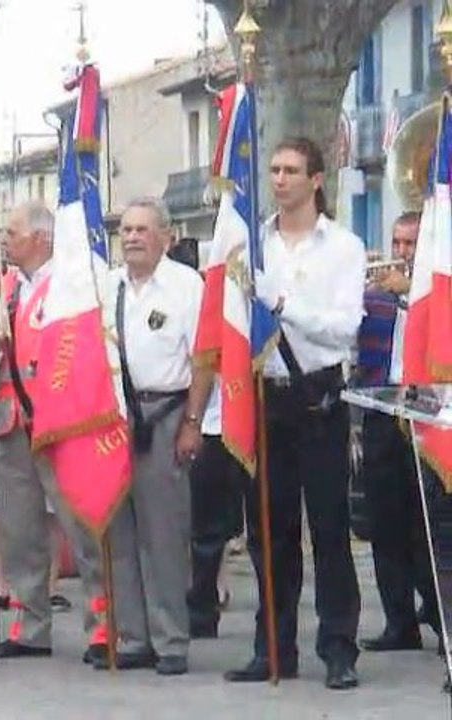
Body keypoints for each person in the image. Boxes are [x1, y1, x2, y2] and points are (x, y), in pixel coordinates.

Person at [225, 137, 364, 690]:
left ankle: (338, 647)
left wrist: (283, 304)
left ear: (316, 179)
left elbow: (343, 326)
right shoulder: (254, 244)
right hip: (267, 396)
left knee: (330, 528)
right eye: (274, 170)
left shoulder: (344, 247)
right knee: (269, 531)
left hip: (319, 397)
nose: (279, 179)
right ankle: (274, 646)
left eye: (290, 170)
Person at [0, 200, 106, 663]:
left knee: (82, 527)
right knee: (20, 529)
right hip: (12, 422)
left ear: (41, 237)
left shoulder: (70, 282)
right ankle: (29, 625)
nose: (5, 239)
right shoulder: (8, 285)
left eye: (12, 231)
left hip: (63, 423)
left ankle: (103, 625)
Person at [103, 197, 205, 676]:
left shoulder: (186, 287)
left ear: (165, 235)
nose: (132, 237)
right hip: (115, 419)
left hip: (165, 413)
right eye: (125, 229)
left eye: (142, 229)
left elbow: (203, 361)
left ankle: (170, 641)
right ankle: (133, 635)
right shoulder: (109, 287)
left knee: (163, 534)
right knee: (119, 533)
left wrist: (192, 423)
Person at [355, 211, 440, 651]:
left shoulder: (435, 295)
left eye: (411, 244)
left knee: (428, 525)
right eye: (398, 243)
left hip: (429, 417)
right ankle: (398, 622)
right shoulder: (375, 297)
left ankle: (442, 617)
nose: (403, 253)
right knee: (385, 521)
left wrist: (410, 293)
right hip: (381, 411)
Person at [186, 382, 245, 639]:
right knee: (204, 526)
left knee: (245, 523)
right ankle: (201, 611)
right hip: (206, 422)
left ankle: (274, 627)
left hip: (244, 416)